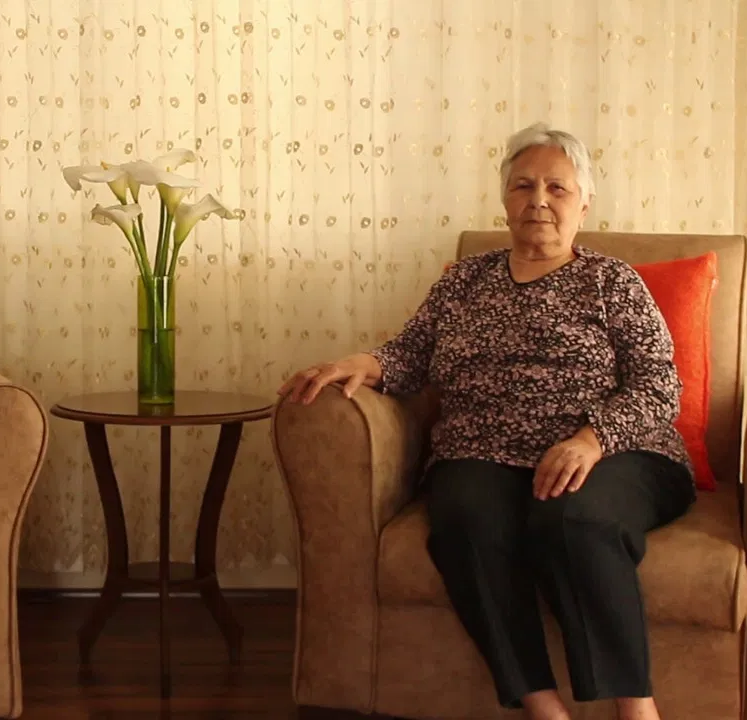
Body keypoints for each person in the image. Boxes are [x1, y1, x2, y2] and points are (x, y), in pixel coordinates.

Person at [277, 122, 693, 720]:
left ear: (584, 202)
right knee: (465, 522)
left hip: (616, 452)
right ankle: (542, 706)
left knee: (572, 517)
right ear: (505, 201)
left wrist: (590, 439)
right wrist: (363, 363)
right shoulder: (465, 282)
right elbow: (413, 351)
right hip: (482, 451)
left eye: (557, 187)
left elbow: (659, 383)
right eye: (524, 186)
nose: (539, 201)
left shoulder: (612, 282)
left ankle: (636, 707)